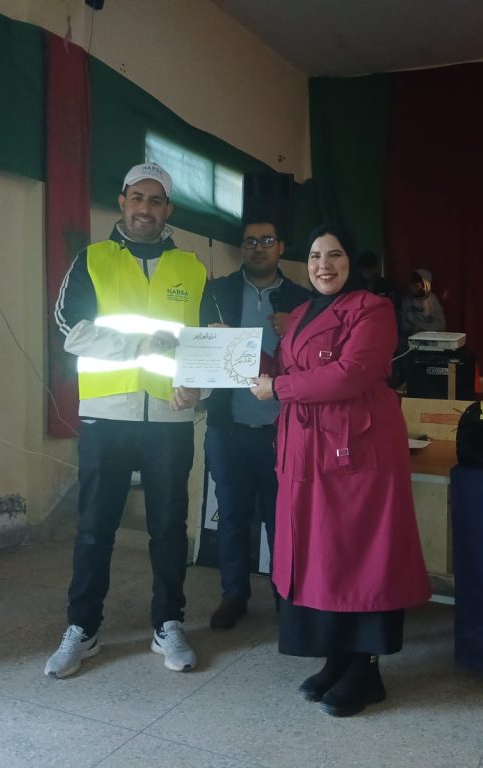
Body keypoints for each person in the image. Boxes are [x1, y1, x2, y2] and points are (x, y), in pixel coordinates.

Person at [249, 224, 430, 717]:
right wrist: (238, 352)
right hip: (307, 449)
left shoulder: (373, 309)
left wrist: (279, 390)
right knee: (323, 554)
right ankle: (337, 659)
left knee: (359, 555)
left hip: (358, 450)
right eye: (314, 256)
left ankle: (366, 671)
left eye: (334, 255)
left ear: (351, 261)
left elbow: (352, 373)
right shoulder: (301, 314)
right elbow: (287, 370)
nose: (323, 265)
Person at [46, 162, 206, 678]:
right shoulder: (92, 259)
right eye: (138, 198)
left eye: (155, 200)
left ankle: (168, 623)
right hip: (107, 415)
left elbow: (209, 342)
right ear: (122, 201)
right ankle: (83, 628)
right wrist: (140, 344)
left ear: (168, 209)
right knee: (95, 528)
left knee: (169, 528)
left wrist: (199, 387)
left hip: (170, 419)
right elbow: (69, 329)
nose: (145, 208)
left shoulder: (192, 268)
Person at [199, 216, 310, 630]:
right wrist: (209, 339)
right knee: (231, 515)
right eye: (250, 242)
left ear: (281, 247)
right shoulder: (217, 292)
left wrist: (295, 328)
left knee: (283, 519)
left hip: (284, 430)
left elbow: (315, 361)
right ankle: (234, 594)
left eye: (267, 240)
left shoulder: (302, 298)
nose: (258, 248)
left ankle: (287, 596)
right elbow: (198, 351)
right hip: (228, 427)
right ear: (240, 248)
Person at [399, 268, 446, 337]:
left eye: (419, 284)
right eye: (414, 282)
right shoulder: (406, 299)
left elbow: (441, 324)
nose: (416, 285)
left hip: (429, 336)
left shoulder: (432, 299)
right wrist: (411, 330)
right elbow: (403, 323)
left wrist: (422, 328)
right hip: (411, 336)